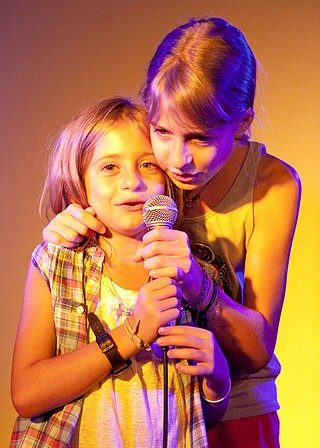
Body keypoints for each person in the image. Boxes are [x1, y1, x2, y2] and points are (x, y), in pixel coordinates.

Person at [41, 17, 301, 448]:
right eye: (162, 132)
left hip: (234, 407)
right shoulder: (144, 164)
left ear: (241, 123)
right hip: (145, 411)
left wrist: (198, 284)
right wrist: (64, 224)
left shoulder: (272, 185)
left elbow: (257, 349)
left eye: (199, 138)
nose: (177, 159)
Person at [10, 97, 231, 448]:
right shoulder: (57, 262)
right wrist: (131, 334)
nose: (132, 182)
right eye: (110, 167)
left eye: (148, 165)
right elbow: (27, 393)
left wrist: (218, 379)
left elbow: (200, 415)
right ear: (80, 182)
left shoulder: (194, 270)